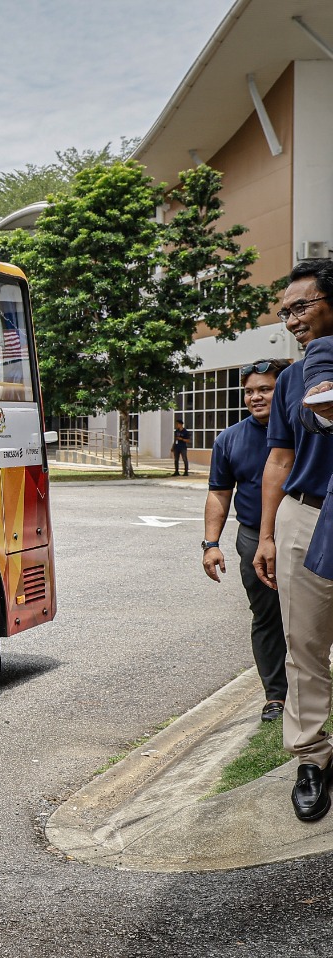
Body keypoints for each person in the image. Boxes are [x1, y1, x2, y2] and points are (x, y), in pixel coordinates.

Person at [254, 260, 333, 823]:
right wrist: (266, 533)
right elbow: (279, 460)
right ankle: (311, 757)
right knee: (303, 644)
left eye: (300, 307)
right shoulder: (289, 379)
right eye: (285, 313)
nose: (292, 320)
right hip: (305, 517)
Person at [202, 360, 288, 723]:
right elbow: (219, 494)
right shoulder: (230, 439)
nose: (255, 397)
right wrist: (210, 544)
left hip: (309, 534)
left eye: (264, 389)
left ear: (282, 390)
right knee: (266, 618)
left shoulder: (308, 430)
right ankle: (276, 697)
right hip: (253, 537)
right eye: (250, 391)